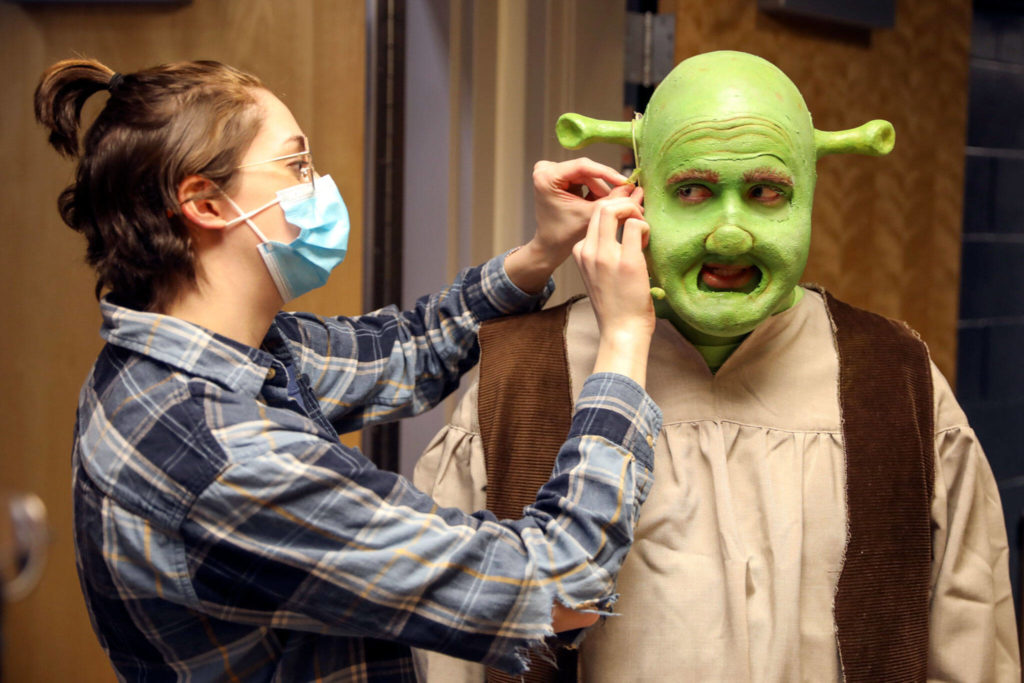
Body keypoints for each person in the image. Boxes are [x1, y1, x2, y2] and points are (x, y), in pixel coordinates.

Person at [34, 58, 664, 681]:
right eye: (296, 165)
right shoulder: (225, 457)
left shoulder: (188, 359)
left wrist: (541, 252)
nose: (319, 186)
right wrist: (627, 335)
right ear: (206, 202)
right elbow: (558, 585)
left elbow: (408, 350)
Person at [414, 51, 1021, 681]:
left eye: (765, 192)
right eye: (693, 191)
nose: (730, 234)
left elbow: (971, 631)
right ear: (634, 195)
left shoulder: (898, 383)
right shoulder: (521, 381)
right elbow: (443, 645)